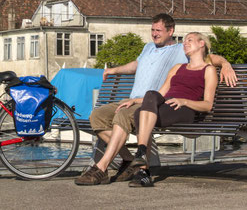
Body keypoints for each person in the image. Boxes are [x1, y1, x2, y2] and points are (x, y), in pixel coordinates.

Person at [74, 13, 236, 186]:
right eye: (152, 30)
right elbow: (137, 65)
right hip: (137, 99)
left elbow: (209, 58)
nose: (154, 33)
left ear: (170, 31)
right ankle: (129, 159)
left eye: (158, 30)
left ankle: (101, 168)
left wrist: (225, 64)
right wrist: (114, 70)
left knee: (126, 114)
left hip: (154, 103)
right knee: (97, 116)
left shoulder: (180, 50)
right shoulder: (148, 48)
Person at [125, 32, 217, 186]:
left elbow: (208, 105)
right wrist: (134, 100)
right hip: (166, 105)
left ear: (202, 44)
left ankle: (143, 167)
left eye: (190, 40)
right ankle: (141, 157)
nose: (185, 43)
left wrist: (184, 101)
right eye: (184, 41)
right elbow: (160, 94)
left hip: (185, 109)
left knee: (141, 114)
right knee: (145, 101)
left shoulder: (208, 70)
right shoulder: (177, 68)